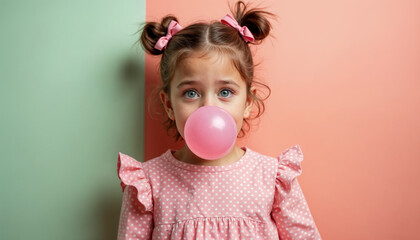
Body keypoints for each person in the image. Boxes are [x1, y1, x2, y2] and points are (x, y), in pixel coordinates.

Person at [116, 1, 322, 239]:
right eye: (191, 93)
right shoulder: (147, 183)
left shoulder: (273, 178)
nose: (208, 107)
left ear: (247, 102)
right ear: (169, 105)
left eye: (225, 92)